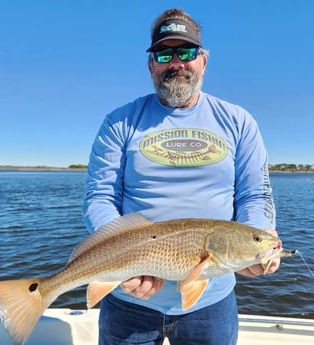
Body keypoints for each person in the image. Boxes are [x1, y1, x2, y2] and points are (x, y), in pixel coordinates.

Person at [83, 8, 279, 345]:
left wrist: (259, 234)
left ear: (203, 60)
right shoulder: (119, 122)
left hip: (212, 302)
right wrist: (122, 258)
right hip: (128, 301)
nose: (176, 63)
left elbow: (254, 194)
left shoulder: (239, 121)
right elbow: (100, 196)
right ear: (150, 65)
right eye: (164, 53)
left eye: (186, 52)